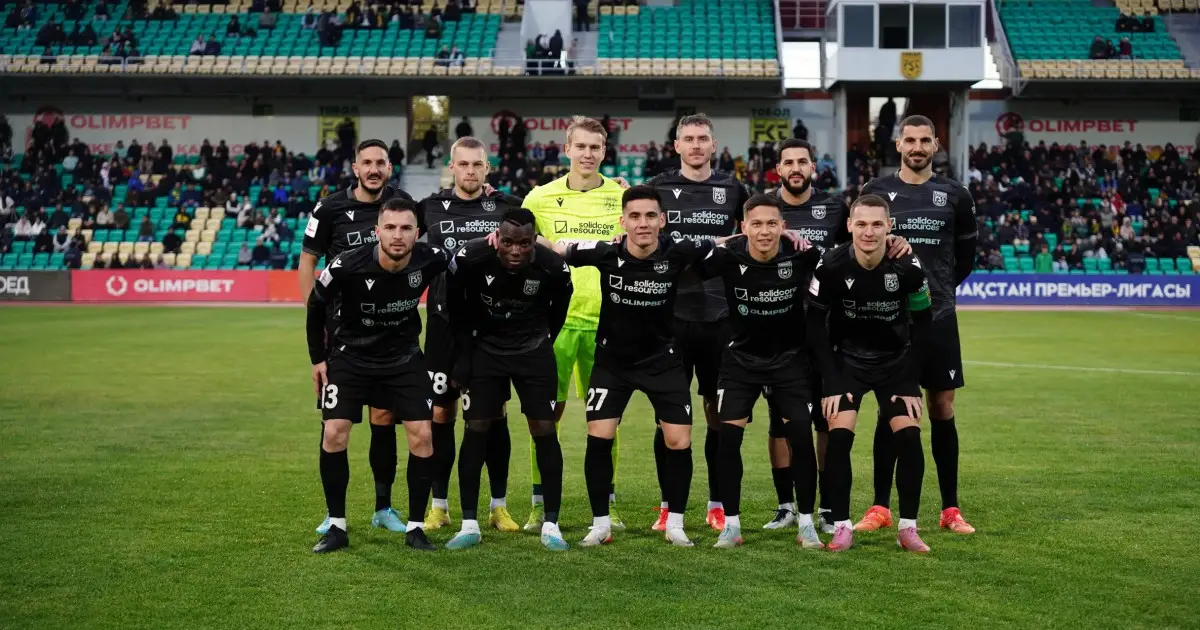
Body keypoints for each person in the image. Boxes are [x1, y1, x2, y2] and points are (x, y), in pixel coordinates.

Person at [557, 185, 731, 548]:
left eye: (650, 215)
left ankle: (675, 524)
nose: (643, 223)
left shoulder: (678, 250)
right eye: (634, 216)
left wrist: (780, 235)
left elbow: (725, 244)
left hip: (663, 362)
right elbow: (556, 248)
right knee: (599, 436)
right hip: (612, 363)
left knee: (678, 440)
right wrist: (503, 238)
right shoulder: (605, 252)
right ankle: (600, 524)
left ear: (662, 220)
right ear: (622, 221)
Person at [769, 138, 911, 534]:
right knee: (780, 422)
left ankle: (830, 507)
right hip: (779, 324)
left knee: (826, 420)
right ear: (778, 169)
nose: (796, 168)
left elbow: (859, 247)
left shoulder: (835, 207)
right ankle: (786, 506)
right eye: (788, 163)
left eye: (802, 162)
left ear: (813, 167)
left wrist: (895, 240)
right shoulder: (764, 207)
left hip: (827, 327)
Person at [307, 198, 450, 553]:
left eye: (405, 228)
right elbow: (316, 303)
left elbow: (468, 261)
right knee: (334, 433)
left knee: (423, 436)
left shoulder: (431, 258)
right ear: (377, 232)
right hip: (351, 356)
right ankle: (336, 526)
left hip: (403, 359)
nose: (397, 235)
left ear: (417, 233)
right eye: (390, 228)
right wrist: (318, 359)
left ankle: (415, 528)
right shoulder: (347, 264)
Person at [858, 115, 978, 535]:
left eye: (925, 140)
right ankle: (879, 507)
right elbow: (861, 247)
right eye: (909, 140)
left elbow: (965, 259)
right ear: (898, 144)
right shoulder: (875, 192)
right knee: (889, 409)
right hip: (890, 319)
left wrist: (937, 291)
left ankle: (950, 510)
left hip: (939, 316)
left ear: (936, 144)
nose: (917, 147)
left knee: (942, 406)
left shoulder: (956, 195)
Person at [299, 139, 415, 539]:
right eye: (367, 162)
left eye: (380, 162)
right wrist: (313, 317)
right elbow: (308, 260)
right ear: (355, 168)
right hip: (341, 336)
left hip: (390, 334)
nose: (373, 169)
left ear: (389, 167)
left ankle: (383, 507)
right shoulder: (329, 208)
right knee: (335, 424)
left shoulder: (403, 204)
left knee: (384, 419)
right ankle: (334, 515)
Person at [806, 193, 933, 553]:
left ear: (889, 226)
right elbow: (813, 325)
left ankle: (908, 528)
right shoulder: (831, 265)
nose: (869, 231)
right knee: (839, 436)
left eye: (877, 224)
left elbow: (924, 325)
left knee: (909, 436)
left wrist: (910, 381)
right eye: (861, 223)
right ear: (849, 226)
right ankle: (842, 527)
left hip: (894, 363)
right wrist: (831, 381)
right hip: (847, 362)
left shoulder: (908, 267)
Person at [693, 194, 821, 549]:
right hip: (740, 362)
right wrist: (721, 241)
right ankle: (731, 526)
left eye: (772, 224)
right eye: (757, 224)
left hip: (790, 362)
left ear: (783, 227)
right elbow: (686, 260)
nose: (764, 231)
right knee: (728, 438)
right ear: (744, 227)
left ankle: (806, 523)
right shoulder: (727, 255)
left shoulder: (802, 254)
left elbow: (843, 259)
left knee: (800, 438)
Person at [442, 209, 573, 551]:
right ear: (497, 238)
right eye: (509, 242)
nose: (516, 250)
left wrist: (541, 341)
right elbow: (456, 309)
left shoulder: (553, 267)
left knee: (544, 429)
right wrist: (464, 357)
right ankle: (469, 524)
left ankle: (551, 524)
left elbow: (559, 310)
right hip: (486, 350)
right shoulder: (470, 258)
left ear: (535, 241)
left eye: (524, 243)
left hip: (533, 351)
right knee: (476, 427)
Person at [520, 116, 626, 532]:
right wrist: (544, 243)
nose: (587, 154)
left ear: (604, 151)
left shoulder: (621, 196)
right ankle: (539, 504)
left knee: (606, 420)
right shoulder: (540, 197)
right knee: (546, 417)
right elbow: (519, 240)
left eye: (595, 147)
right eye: (580, 146)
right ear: (567, 149)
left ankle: (608, 505)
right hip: (556, 325)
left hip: (608, 324)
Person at [645, 114, 748, 533]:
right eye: (688, 138)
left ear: (714, 144)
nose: (696, 145)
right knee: (668, 417)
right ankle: (668, 505)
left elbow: (748, 236)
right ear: (676, 145)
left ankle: (717, 504)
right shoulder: (658, 187)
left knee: (717, 414)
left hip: (720, 318)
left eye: (703, 138)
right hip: (669, 317)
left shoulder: (734, 189)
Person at [419, 137, 524, 533]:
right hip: (443, 327)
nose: (470, 171)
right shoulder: (429, 207)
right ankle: (439, 507)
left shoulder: (507, 208)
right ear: (451, 166)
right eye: (463, 164)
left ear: (487, 167)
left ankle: (498, 507)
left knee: (493, 415)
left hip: (491, 329)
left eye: (477, 164)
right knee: (440, 414)